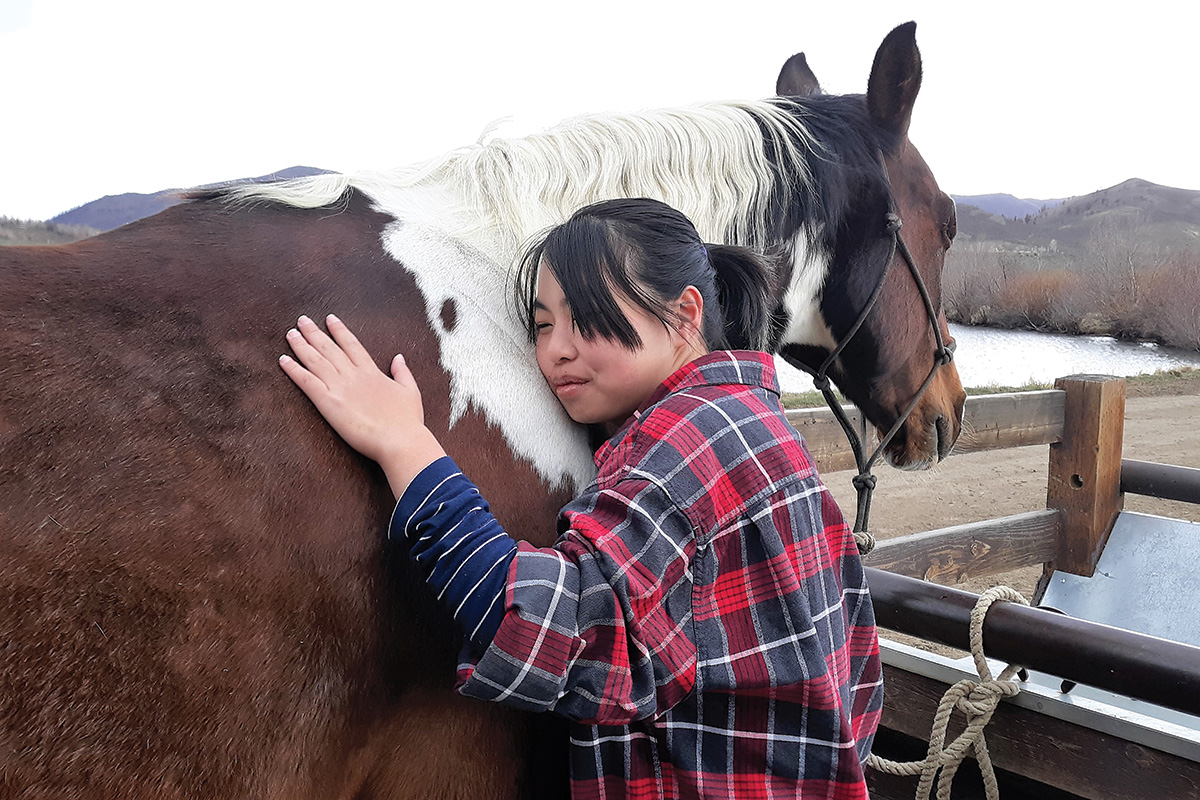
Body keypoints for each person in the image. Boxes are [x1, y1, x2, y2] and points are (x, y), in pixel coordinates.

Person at [279, 198, 883, 799]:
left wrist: (403, 442)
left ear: (683, 315)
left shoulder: (691, 446)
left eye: (586, 317)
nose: (557, 350)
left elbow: (544, 631)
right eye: (543, 325)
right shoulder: (754, 422)